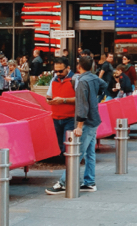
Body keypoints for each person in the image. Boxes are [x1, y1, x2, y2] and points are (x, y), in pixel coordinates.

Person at [46, 56, 107, 194]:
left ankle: (63, 182)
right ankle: (89, 182)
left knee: (77, 153)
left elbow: (82, 105)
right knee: (89, 152)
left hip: (87, 121)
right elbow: (104, 86)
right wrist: (95, 99)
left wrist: (79, 126)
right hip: (94, 119)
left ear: (78, 66)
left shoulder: (80, 81)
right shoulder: (92, 77)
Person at [46, 57, 76, 156]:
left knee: (67, 146)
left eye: (60, 71)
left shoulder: (75, 79)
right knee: (59, 145)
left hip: (70, 117)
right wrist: (49, 100)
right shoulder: (54, 80)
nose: (58, 73)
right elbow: (49, 95)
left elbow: (81, 99)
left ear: (68, 68)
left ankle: (69, 167)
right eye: (56, 71)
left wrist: (63, 100)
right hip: (56, 117)